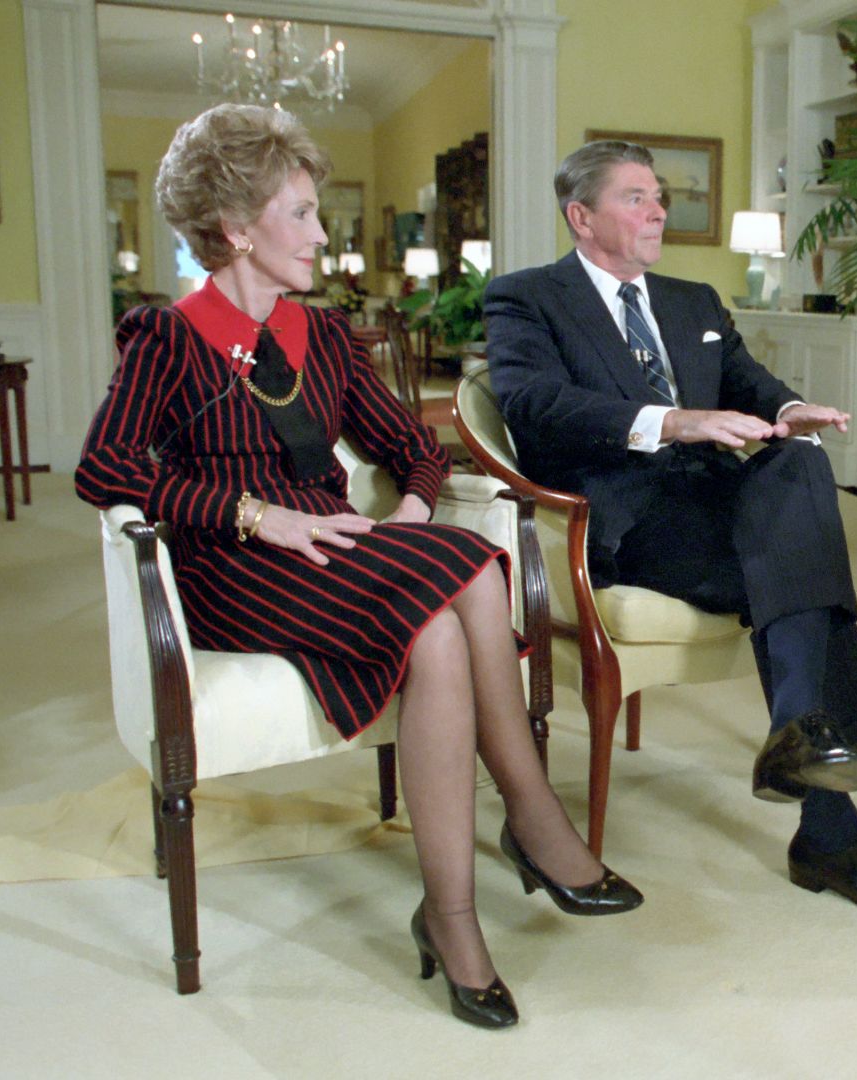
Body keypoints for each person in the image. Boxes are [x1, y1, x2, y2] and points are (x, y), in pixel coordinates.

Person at [76, 105, 641, 1029]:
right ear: (235, 229)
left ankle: (450, 914)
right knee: (467, 572)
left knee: (441, 631)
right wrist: (257, 517)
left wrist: (412, 511)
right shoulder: (166, 340)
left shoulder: (323, 336)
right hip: (235, 572)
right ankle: (537, 827)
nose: (318, 232)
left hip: (338, 554)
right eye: (298, 213)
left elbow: (412, 447)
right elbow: (106, 471)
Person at [483, 140, 857, 916]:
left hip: (718, 506)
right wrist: (671, 421)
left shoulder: (692, 300)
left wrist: (790, 410)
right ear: (581, 216)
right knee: (800, 567)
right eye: (635, 196)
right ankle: (827, 825)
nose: (658, 208)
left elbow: (755, 389)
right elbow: (534, 406)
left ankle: (799, 740)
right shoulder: (527, 297)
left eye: (658, 194)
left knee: (799, 465)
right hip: (626, 522)